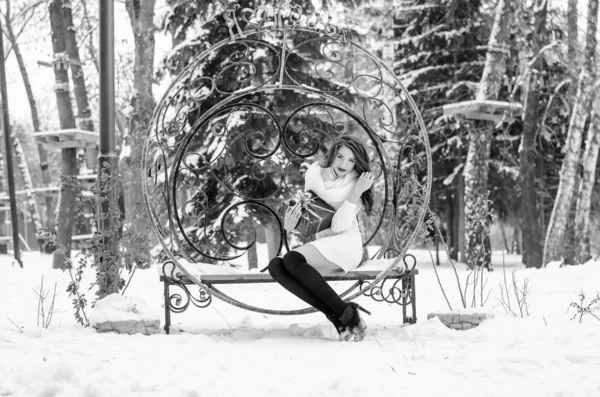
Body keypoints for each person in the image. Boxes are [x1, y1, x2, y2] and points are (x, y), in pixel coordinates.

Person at [268, 135, 375, 341]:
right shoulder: (314, 174)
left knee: (291, 259)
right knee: (276, 266)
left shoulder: (357, 185)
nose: (344, 164)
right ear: (333, 154)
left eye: (351, 161)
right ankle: (340, 316)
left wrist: (356, 193)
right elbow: (314, 218)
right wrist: (291, 226)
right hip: (322, 244)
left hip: (345, 244)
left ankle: (346, 316)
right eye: (341, 156)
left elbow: (337, 227)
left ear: (357, 164)